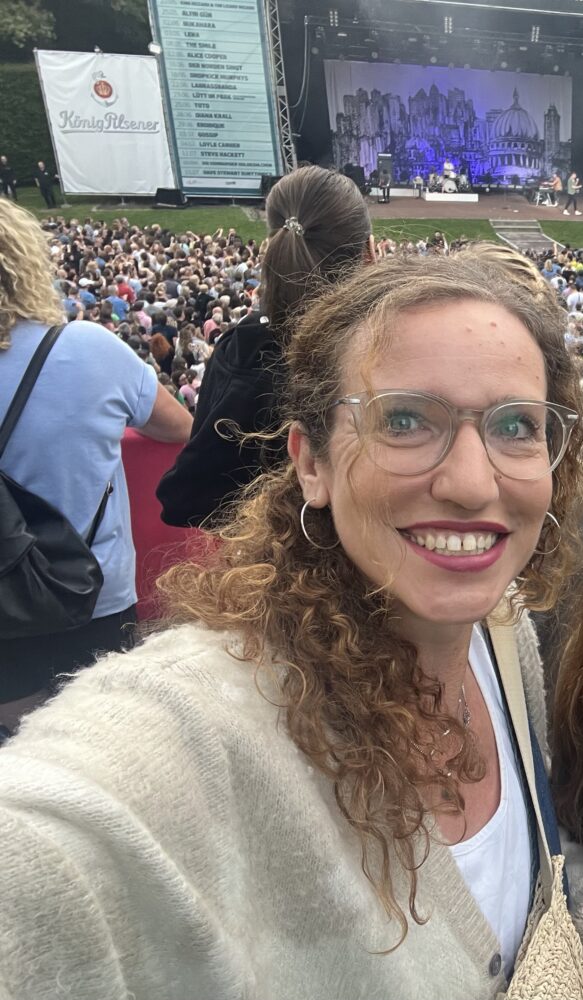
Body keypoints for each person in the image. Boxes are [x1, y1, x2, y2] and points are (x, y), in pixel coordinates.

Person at [0, 250, 582, 998]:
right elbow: (54, 842)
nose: (471, 482)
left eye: (516, 425)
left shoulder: (505, 632)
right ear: (311, 464)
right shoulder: (197, 729)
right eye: (404, 419)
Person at [0, 200, 193, 733]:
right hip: (90, 594)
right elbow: (178, 427)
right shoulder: (88, 347)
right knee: (102, 741)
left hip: (11, 609)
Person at [157, 164, 372, 527]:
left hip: (260, 555)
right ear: (369, 252)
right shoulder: (379, 359)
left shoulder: (241, 349)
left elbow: (189, 496)